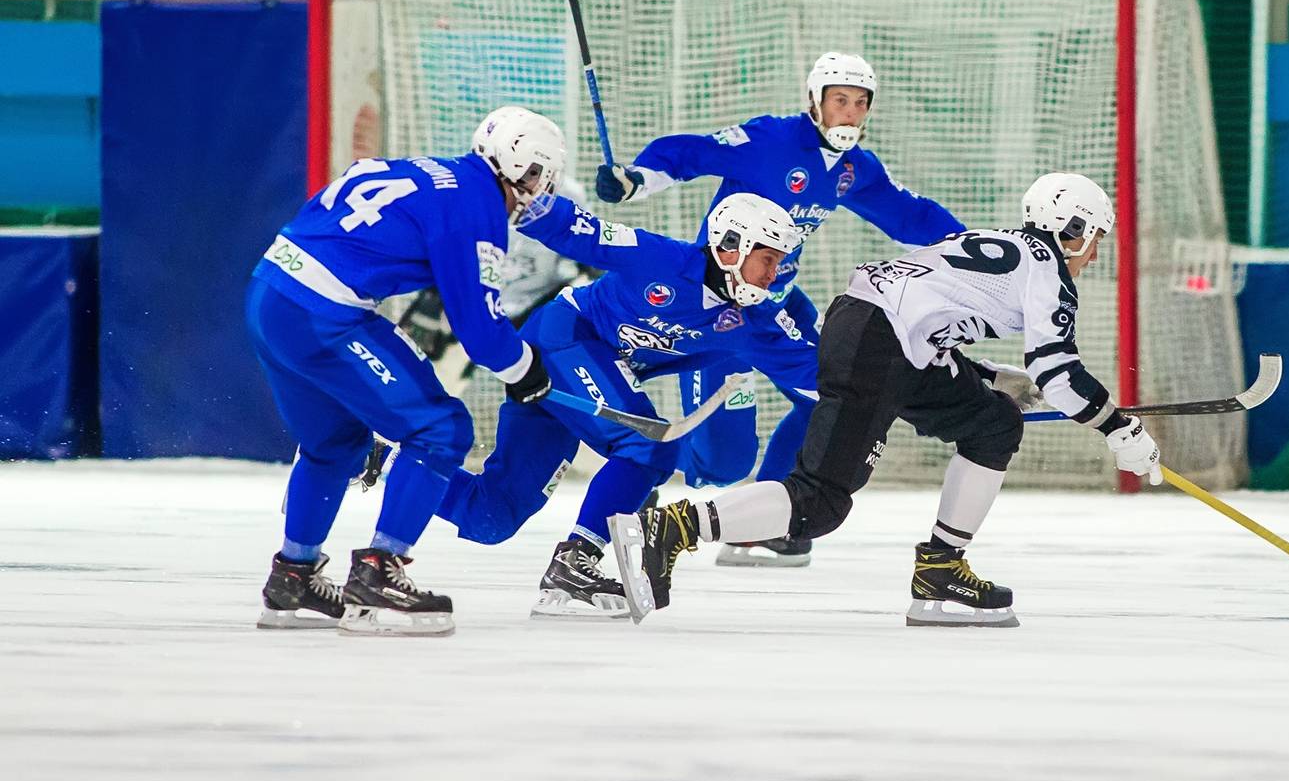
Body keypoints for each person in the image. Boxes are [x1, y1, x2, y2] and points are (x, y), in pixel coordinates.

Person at [613, 173, 1163, 629]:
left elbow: (930, 314)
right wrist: (1119, 428)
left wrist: (989, 377)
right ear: (1075, 231)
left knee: (994, 422)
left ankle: (941, 569)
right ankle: (675, 526)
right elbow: (1058, 371)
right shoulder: (1048, 270)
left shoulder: (1006, 245)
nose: (1094, 255)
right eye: (1096, 239)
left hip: (880, 331)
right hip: (880, 342)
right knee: (817, 504)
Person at [594, 52, 965, 567]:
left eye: (860, 104)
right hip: (721, 315)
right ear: (814, 101)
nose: (850, 114)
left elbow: (911, 215)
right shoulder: (769, 140)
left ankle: (763, 523)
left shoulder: (856, 169)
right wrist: (638, 177)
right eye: (840, 101)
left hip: (778, 308)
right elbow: (693, 153)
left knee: (828, 397)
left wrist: (978, 251)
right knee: (723, 465)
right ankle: (638, 482)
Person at [247, 106, 563, 636]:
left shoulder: (428, 171)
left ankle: (293, 575)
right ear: (522, 167)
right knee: (441, 428)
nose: (537, 189)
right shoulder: (478, 206)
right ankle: (379, 572)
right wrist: (529, 372)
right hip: (323, 313)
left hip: (268, 291)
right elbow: (482, 335)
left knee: (335, 442)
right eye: (538, 176)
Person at [433, 189, 819, 618]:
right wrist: (506, 200)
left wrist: (895, 387)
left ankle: (383, 459)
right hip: (561, 338)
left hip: (579, 374)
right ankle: (574, 561)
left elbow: (820, 376)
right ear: (732, 247)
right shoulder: (658, 257)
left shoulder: (757, 323)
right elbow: (580, 231)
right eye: (768, 259)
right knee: (649, 445)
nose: (776, 273)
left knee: (490, 516)